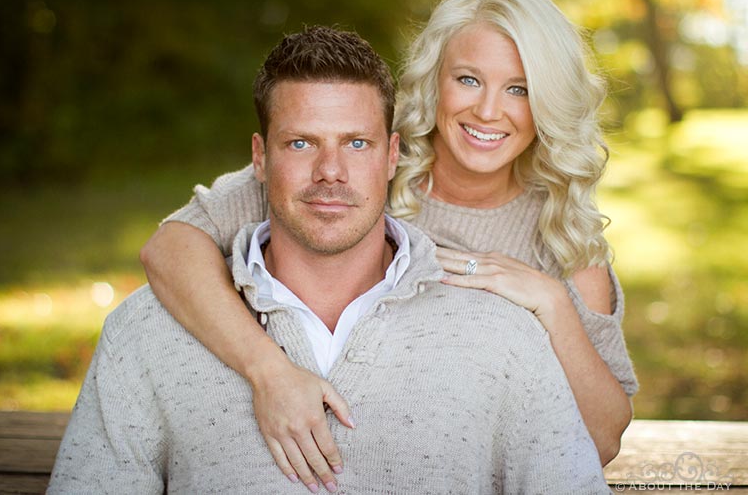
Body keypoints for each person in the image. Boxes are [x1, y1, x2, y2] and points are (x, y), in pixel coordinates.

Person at [48, 26, 610, 494]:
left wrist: (555, 304)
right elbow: (168, 247)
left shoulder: (512, 318)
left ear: (391, 154)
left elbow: (597, 443)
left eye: (357, 144)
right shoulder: (146, 331)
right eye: (300, 144)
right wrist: (266, 368)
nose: (331, 172)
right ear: (259, 158)